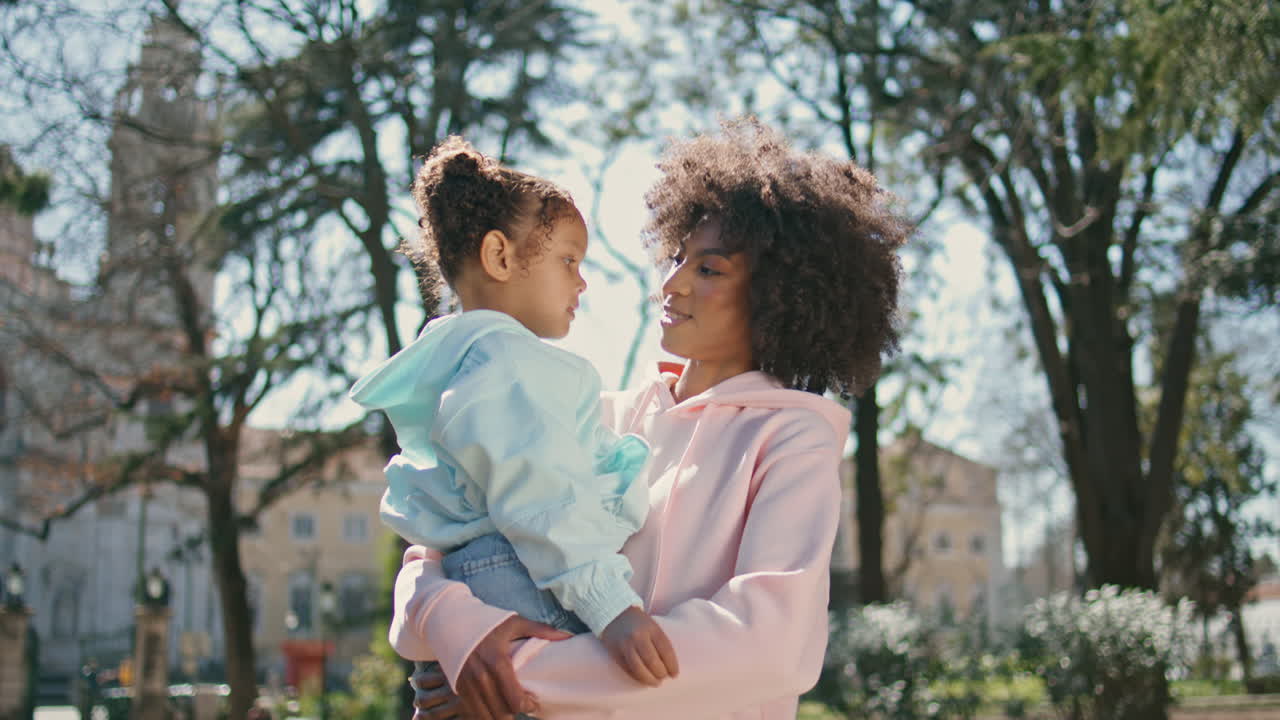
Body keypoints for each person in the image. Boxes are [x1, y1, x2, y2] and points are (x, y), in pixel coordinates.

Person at [393, 118, 910, 720]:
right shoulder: (599, 415)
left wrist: (511, 677)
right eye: (677, 257)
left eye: (708, 269)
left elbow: (769, 648)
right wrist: (458, 633)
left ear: (782, 294)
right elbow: (438, 536)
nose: (672, 282)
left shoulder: (793, 439)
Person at [349, 136, 679, 696]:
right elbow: (542, 499)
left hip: (478, 588)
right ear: (500, 256)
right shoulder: (510, 362)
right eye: (568, 260)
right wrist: (611, 608)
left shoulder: (462, 363)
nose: (582, 282)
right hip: (523, 585)